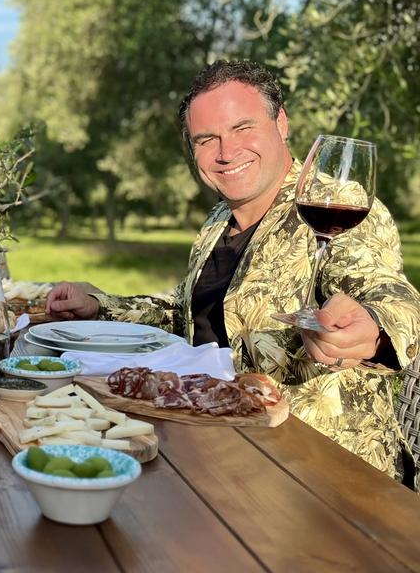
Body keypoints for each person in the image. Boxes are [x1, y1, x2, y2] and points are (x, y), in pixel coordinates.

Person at [46, 60, 420, 485]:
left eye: (243, 128)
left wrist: (373, 328)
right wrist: (99, 305)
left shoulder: (335, 202)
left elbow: (384, 288)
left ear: (281, 123)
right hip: (215, 452)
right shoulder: (219, 220)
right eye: (207, 139)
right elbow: (184, 312)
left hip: (323, 476)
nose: (226, 153)